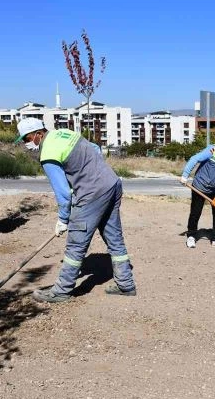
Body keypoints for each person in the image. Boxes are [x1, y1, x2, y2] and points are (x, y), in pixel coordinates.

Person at [15, 118, 136, 302]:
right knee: (114, 238)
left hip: (92, 193)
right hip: (111, 183)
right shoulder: (64, 133)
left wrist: (63, 220)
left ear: (39, 134)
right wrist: (90, 173)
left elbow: (63, 194)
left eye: (27, 138)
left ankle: (62, 291)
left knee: (75, 245)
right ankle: (126, 284)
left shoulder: (47, 153)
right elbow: (95, 149)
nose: (26, 144)